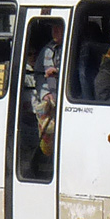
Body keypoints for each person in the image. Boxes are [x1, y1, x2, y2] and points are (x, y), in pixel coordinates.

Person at [33, 21, 63, 156]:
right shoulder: (47, 50)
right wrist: (44, 94)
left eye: (58, 27)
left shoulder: (74, 48)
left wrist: (58, 73)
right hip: (50, 104)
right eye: (53, 28)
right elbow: (38, 75)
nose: (55, 31)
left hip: (65, 102)